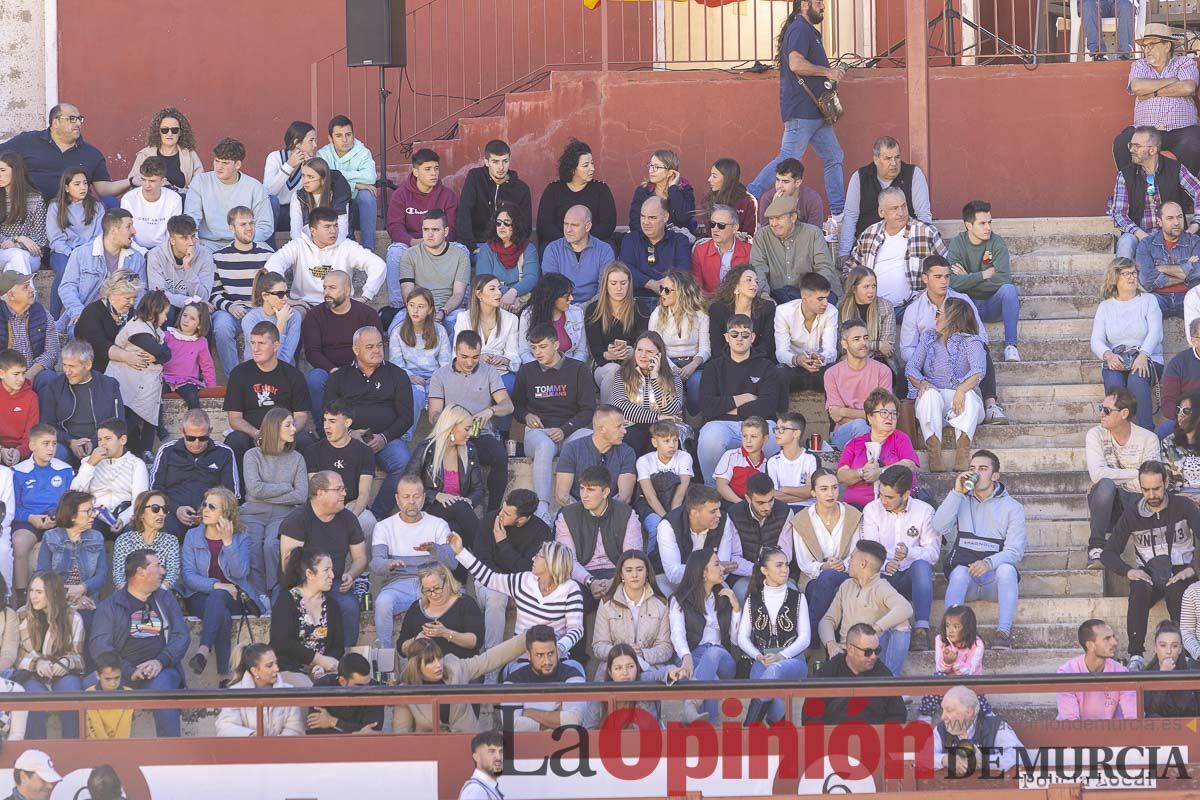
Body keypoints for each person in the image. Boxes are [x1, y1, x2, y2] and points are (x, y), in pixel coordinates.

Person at [746, 0, 845, 218]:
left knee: (834, 157)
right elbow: (796, 64)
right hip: (802, 112)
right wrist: (827, 72)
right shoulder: (800, 28)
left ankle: (839, 213)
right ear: (804, 5)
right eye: (818, 2)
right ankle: (749, 198)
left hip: (815, 113)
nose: (823, 6)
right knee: (787, 160)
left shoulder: (807, 31)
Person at [1102, 459, 1199, 671]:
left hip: (1181, 569)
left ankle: (1184, 652)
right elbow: (1108, 554)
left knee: (1177, 591)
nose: (1152, 495)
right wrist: (1129, 571)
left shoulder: (1183, 506)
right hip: (1150, 572)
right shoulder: (1132, 513)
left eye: (1156, 488)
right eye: (1146, 490)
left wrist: (1193, 567)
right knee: (1138, 588)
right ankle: (1136, 654)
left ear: (1165, 482)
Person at [88, 549, 188, 736]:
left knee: (162, 687)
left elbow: (181, 636)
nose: (163, 572)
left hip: (161, 670)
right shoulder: (110, 606)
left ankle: (171, 755)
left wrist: (160, 661)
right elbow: (100, 646)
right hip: (122, 673)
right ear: (141, 572)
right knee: (84, 687)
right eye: (157, 566)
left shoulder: (165, 598)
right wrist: (128, 671)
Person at [934, 450, 1027, 650]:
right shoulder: (960, 499)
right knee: (958, 572)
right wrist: (957, 492)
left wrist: (988, 563)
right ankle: (950, 635)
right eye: (972, 469)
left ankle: (1003, 632)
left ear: (995, 476)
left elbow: (1015, 551)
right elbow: (939, 527)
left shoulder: (1013, 507)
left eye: (983, 469)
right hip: (966, 580)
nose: (976, 473)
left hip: (993, 581)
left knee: (1007, 570)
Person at [450, 530, 585, 663]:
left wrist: (558, 649)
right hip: (523, 658)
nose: (533, 558)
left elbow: (576, 629)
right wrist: (460, 552)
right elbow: (490, 578)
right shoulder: (524, 580)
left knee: (576, 672)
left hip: (555, 658)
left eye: (538, 556)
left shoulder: (571, 589)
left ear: (551, 563)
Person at [899, 255, 1004, 424]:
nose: (944, 281)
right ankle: (911, 418)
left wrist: (962, 350)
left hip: (962, 359)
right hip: (929, 361)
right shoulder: (914, 309)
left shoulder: (963, 300)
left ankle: (990, 404)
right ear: (925, 278)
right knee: (905, 370)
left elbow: (981, 335)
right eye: (938, 277)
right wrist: (927, 357)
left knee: (982, 351)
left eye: (947, 276)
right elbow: (906, 348)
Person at [513, 322, 597, 521]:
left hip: (569, 430)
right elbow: (515, 406)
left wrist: (565, 429)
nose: (537, 353)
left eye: (542, 347)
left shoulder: (578, 369)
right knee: (544, 445)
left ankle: (587, 502)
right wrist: (526, 416)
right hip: (538, 433)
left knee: (591, 439)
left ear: (556, 345)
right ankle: (542, 509)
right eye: (533, 348)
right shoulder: (527, 371)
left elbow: (588, 409)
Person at [323, 325, 414, 505]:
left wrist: (384, 437)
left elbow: (407, 417)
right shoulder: (339, 377)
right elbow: (329, 414)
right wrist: (348, 435)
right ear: (356, 349)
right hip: (349, 438)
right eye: (370, 347)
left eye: (380, 346)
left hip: (386, 438)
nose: (377, 351)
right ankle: (344, 511)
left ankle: (377, 514)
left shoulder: (398, 375)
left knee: (403, 463)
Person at [424, 332, 512, 515]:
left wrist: (491, 410)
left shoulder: (489, 372)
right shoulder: (440, 375)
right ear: (455, 351)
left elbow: (508, 405)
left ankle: (493, 511)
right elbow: (433, 415)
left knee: (500, 455)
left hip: (480, 434)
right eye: (464, 357)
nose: (470, 362)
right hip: (451, 435)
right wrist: (452, 421)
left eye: (475, 357)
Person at [278, 472, 368, 651]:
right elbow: (288, 565)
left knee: (349, 607)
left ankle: (345, 660)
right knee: (287, 610)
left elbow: (360, 558)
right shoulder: (297, 520)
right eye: (339, 489)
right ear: (320, 493)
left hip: (333, 582)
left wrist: (351, 574)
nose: (345, 493)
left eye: (344, 489)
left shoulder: (348, 518)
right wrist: (314, 586)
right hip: (299, 584)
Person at [181, 487, 258, 686]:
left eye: (212, 507)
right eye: (205, 504)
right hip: (200, 596)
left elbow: (240, 573)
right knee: (220, 609)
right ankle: (224, 675)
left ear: (226, 513)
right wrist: (218, 586)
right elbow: (189, 577)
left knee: (220, 600)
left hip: (234, 596)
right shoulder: (192, 536)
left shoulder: (241, 538)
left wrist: (228, 542)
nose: (205, 509)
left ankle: (203, 651)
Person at [907, 296, 988, 473]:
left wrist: (961, 389)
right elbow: (911, 368)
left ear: (952, 317)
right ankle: (934, 453)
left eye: (939, 314)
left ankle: (962, 451)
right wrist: (923, 383)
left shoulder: (972, 342)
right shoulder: (928, 337)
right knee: (929, 394)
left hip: (962, 403)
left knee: (970, 396)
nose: (935, 318)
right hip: (936, 401)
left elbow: (978, 370)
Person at [374, 477, 457, 651]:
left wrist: (435, 550)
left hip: (433, 584)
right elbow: (376, 563)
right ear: (397, 499)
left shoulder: (438, 524)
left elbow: (453, 564)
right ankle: (385, 658)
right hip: (398, 584)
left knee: (460, 603)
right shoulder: (384, 526)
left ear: (424, 497)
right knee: (383, 603)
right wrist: (389, 563)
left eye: (416, 496)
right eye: (406, 496)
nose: (411, 501)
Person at [698, 313, 783, 481]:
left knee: (773, 435)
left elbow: (769, 406)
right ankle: (713, 490)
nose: (739, 339)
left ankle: (767, 487)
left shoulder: (767, 367)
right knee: (709, 437)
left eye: (745, 335)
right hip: (721, 426)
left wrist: (726, 408)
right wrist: (744, 398)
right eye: (734, 334)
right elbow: (707, 406)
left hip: (759, 424)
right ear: (726, 337)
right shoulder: (713, 367)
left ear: (752, 338)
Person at [471, 489, 553, 663]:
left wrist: (503, 543)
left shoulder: (541, 532)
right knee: (497, 597)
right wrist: (505, 585)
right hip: (488, 580)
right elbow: (481, 561)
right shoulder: (489, 521)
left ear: (522, 518)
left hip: (523, 583)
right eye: (502, 509)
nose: (501, 514)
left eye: (507, 513)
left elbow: (528, 570)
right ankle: (491, 663)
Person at [861, 465, 937, 651]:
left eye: (889, 497)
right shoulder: (871, 509)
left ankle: (921, 628)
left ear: (905, 495)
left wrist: (909, 553)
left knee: (921, 566)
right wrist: (886, 564)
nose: (883, 501)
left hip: (912, 578)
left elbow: (933, 554)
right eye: (881, 494)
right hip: (883, 576)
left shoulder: (924, 511)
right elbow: (869, 548)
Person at [1086, 388, 1162, 568]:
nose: (1101, 414)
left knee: (1109, 483)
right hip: (1109, 506)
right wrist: (1137, 472)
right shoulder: (1095, 434)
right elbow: (1097, 474)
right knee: (1104, 486)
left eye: (1106, 410)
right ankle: (1096, 548)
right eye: (1100, 408)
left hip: (1138, 502)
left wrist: (1112, 475)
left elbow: (1152, 478)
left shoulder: (1148, 439)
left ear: (1124, 413)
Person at [223, 321, 313, 471]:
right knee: (235, 440)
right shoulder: (239, 373)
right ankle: (239, 493)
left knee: (305, 440)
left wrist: (286, 433)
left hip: (284, 435)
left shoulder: (293, 375)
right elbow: (234, 418)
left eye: (261, 343)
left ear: (276, 346)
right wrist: (257, 434)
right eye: (252, 343)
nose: (255, 349)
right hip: (253, 435)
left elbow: (301, 415)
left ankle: (305, 492)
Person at [394, 632, 528, 734]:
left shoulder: (454, 667)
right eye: (430, 662)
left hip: (468, 743)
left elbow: (489, 659)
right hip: (430, 755)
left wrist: (526, 639)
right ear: (416, 666)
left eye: (439, 658)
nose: (438, 665)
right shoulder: (405, 691)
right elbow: (401, 734)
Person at [844, 186, 948, 316]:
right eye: (894, 209)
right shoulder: (869, 234)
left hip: (913, 307)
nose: (901, 213)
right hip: (871, 308)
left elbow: (946, 267)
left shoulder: (926, 232)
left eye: (904, 206)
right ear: (881, 212)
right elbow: (850, 270)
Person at [817, 539, 914, 677]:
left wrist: (874, 630)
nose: (848, 562)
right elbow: (827, 620)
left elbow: (906, 608)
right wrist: (831, 644)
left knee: (902, 623)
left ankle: (891, 683)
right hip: (847, 651)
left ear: (863, 563)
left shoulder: (881, 586)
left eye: (851, 558)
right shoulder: (846, 585)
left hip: (871, 653)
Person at [780, 468, 861, 632]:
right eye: (824, 489)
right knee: (828, 585)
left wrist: (842, 565)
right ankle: (834, 641)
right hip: (811, 578)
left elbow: (856, 551)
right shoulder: (802, 519)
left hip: (847, 574)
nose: (830, 493)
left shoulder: (853, 515)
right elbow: (804, 562)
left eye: (835, 487)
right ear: (813, 492)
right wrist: (824, 567)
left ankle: (811, 635)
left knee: (832, 581)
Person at [1114, 24, 1200, 177]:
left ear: (1167, 46)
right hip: (1145, 130)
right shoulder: (1140, 65)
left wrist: (1151, 93)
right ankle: (1133, 193)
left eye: (1152, 45)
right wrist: (1172, 81)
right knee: (1123, 143)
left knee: (1193, 144)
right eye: (1145, 46)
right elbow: (1137, 86)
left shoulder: (1185, 63)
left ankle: (1186, 196)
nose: (1147, 50)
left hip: (1181, 129)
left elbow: (1188, 87)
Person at [241, 408, 308, 598]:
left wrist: (265, 492)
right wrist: (286, 486)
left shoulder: (297, 459)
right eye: (288, 425)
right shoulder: (252, 455)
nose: (294, 429)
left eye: (293, 424)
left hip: (283, 514)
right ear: (273, 428)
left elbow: (301, 495)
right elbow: (255, 490)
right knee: (253, 546)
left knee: (272, 545)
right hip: (253, 513)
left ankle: (274, 592)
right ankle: (258, 595)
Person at [738, 545, 809, 725]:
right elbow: (742, 638)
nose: (785, 569)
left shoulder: (798, 598)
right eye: (778, 565)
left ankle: (748, 728)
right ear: (764, 570)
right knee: (774, 695)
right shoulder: (752, 599)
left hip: (793, 661)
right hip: (763, 660)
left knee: (774, 671)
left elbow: (805, 638)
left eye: (786, 565)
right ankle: (780, 728)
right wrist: (757, 655)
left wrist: (781, 655)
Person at [398, 406, 485, 551]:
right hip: (430, 508)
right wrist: (436, 495)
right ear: (451, 427)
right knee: (460, 507)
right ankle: (485, 560)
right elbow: (407, 485)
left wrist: (469, 500)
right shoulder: (427, 449)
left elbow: (478, 489)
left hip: (458, 514)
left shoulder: (469, 450)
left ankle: (460, 573)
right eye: (467, 429)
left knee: (456, 530)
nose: (470, 433)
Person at [668, 548, 740, 722]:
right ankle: (710, 725)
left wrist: (736, 608)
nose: (722, 568)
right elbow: (677, 633)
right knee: (711, 678)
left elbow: (735, 640)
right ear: (702, 573)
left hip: (722, 658)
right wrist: (686, 656)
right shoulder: (680, 599)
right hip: (692, 657)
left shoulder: (725, 597)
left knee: (713, 653)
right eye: (716, 564)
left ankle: (691, 703)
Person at [555, 465, 642, 610]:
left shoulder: (626, 514)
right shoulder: (568, 515)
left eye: (591, 489)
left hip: (617, 572)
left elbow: (632, 557)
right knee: (569, 595)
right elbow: (568, 560)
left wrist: (615, 582)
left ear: (605, 492)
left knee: (632, 593)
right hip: (583, 574)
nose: (584, 495)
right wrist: (590, 581)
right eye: (582, 488)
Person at [1093, 257, 1164, 431]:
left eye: (1134, 273)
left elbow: (1155, 332)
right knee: (1113, 381)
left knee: (1136, 379)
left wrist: (1143, 355)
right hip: (1117, 358)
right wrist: (1108, 355)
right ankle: (1117, 429)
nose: (1132, 277)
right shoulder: (1105, 307)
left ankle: (1147, 431)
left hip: (1147, 357)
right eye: (1126, 274)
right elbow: (1096, 339)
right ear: (1115, 277)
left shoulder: (1148, 300)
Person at [0, 102, 128, 199]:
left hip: (74, 218)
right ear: (55, 122)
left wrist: (132, 181)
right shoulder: (27, 141)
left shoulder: (91, 154)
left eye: (79, 119)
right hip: (30, 215)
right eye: (72, 119)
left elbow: (104, 188)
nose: (78, 123)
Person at [1109, 127, 1200, 261]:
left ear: (1152, 150)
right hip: (1139, 235)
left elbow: (1198, 191)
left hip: (1172, 234)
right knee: (1125, 242)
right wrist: (1140, 234)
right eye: (1131, 145)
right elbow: (1118, 213)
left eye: (1137, 146)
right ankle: (1122, 279)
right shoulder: (1125, 175)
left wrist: (1194, 225)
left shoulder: (1175, 169)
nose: (1131, 150)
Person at [267, 207, 386, 310]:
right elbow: (274, 264)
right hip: (305, 305)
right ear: (313, 230)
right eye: (327, 227)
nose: (333, 231)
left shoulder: (347, 245)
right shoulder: (298, 245)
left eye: (335, 225)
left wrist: (365, 296)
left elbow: (378, 265)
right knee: (295, 315)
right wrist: (282, 296)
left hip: (339, 304)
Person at [838, 136, 933, 261]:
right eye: (888, 158)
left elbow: (923, 214)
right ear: (876, 159)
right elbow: (850, 216)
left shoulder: (914, 174)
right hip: (868, 245)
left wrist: (925, 245)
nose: (894, 163)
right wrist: (844, 253)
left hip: (906, 245)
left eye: (897, 157)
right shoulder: (860, 177)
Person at [948, 200, 1021, 360]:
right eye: (982, 223)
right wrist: (983, 275)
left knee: (1009, 290)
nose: (988, 227)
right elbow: (952, 282)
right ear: (969, 225)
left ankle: (1011, 346)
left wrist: (967, 278)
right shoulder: (957, 244)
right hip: (967, 306)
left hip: (991, 304)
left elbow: (1003, 278)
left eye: (989, 222)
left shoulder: (996, 242)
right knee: (950, 293)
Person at [149, 408, 239, 538]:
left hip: (211, 515)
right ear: (182, 432)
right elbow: (154, 491)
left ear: (210, 432)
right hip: (171, 514)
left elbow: (230, 494)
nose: (197, 443)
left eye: (203, 438)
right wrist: (175, 509)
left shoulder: (224, 453)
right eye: (191, 438)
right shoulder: (167, 451)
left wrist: (207, 511)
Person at [16, 571, 85, 740]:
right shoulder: (21, 615)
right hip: (31, 674)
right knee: (33, 701)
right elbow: (17, 657)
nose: (33, 596)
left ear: (53, 593)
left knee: (72, 693)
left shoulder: (73, 618)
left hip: (62, 673)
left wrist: (65, 663)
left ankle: (73, 749)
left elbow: (79, 658)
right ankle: (36, 752)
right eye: (31, 591)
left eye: (39, 592)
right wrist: (37, 663)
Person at [11, 426, 74, 603]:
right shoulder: (18, 472)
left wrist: (58, 518)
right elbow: (11, 507)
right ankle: (22, 597)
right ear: (32, 446)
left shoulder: (65, 470)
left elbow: (71, 503)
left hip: (57, 520)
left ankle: (60, 595)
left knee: (65, 540)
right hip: (28, 520)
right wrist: (30, 518)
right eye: (45, 444)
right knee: (19, 543)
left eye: (54, 444)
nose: (51, 448)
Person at [59, 208, 146, 335]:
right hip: (85, 315)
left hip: (122, 319)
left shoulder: (136, 259)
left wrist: (132, 321)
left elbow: (140, 294)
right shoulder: (81, 253)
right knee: (84, 335)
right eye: (129, 226)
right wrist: (80, 313)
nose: (134, 231)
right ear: (113, 231)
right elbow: (67, 288)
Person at [211, 205, 276, 374]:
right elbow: (214, 294)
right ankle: (235, 378)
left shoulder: (268, 256)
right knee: (221, 327)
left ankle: (263, 375)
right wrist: (230, 306)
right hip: (232, 310)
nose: (249, 228)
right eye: (243, 224)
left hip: (259, 309)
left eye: (251, 223)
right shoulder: (219, 257)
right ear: (231, 228)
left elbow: (274, 290)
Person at [106, 290, 171, 455]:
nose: (166, 318)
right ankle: (111, 444)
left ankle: (146, 450)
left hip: (142, 382)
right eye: (165, 313)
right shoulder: (138, 328)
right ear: (155, 311)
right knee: (134, 417)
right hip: (128, 381)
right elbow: (163, 353)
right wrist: (159, 355)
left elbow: (165, 353)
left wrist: (159, 356)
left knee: (147, 411)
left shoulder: (151, 328)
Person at [592, 549, 673, 681]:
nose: (634, 574)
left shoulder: (661, 604)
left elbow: (666, 648)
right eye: (629, 570)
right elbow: (599, 646)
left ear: (647, 573)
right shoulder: (607, 604)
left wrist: (642, 654)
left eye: (640, 569)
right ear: (621, 574)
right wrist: (623, 654)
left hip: (648, 667)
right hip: (615, 666)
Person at [270, 547, 345, 687]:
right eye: (326, 570)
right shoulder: (287, 600)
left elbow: (338, 646)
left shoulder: (332, 605)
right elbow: (282, 643)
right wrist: (317, 659)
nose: (332, 575)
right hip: (290, 668)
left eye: (332, 570)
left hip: (323, 670)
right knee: (308, 689)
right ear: (310, 573)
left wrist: (323, 665)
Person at [304, 399, 378, 538]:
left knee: (369, 523)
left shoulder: (364, 451)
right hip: (323, 505)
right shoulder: (313, 451)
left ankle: (364, 560)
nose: (326, 426)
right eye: (325, 420)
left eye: (332, 421)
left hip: (351, 504)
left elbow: (364, 493)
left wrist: (351, 518)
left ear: (347, 423)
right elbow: (316, 492)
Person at [605, 331, 685, 457]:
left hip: (665, 427)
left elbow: (672, 409)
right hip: (632, 426)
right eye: (639, 350)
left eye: (649, 352)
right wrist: (657, 417)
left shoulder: (673, 377)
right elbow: (619, 406)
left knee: (663, 441)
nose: (643, 355)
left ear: (660, 354)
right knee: (629, 441)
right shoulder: (623, 374)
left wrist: (655, 377)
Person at [183, 137, 273, 250]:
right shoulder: (200, 182)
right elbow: (191, 218)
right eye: (216, 161)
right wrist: (194, 239)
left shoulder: (255, 187)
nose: (219, 167)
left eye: (225, 163)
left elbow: (265, 227)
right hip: (208, 244)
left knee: (269, 257)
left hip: (245, 242)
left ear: (238, 164)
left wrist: (241, 242)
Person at [390, 287, 452, 439]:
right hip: (409, 378)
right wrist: (409, 377)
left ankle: (444, 439)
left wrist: (436, 379)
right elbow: (396, 364)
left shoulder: (440, 331)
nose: (415, 310)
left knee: (444, 394)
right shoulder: (398, 332)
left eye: (421, 306)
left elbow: (446, 363)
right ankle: (406, 436)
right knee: (416, 392)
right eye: (411, 305)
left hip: (435, 377)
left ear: (430, 310)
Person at [500, 624, 589, 731]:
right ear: (528, 655)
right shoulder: (514, 679)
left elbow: (575, 719)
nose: (547, 661)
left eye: (551, 653)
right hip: (527, 746)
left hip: (567, 745)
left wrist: (529, 713)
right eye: (540, 655)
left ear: (556, 650)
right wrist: (557, 721)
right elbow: (510, 724)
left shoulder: (572, 674)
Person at [69, 417, 149, 536]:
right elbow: (75, 493)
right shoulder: (89, 462)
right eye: (100, 440)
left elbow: (140, 501)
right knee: (88, 533)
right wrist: (91, 464)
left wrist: (122, 519)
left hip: (125, 515)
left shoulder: (137, 464)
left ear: (122, 440)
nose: (103, 444)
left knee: (132, 534)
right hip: (95, 515)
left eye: (107, 439)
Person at [751, 194, 836, 304]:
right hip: (774, 294)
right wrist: (764, 295)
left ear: (793, 218)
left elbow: (824, 267)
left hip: (808, 294)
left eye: (779, 218)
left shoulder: (813, 234)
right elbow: (758, 267)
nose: (773, 223)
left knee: (830, 300)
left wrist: (814, 294)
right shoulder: (762, 235)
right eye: (771, 219)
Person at [396, 562, 483, 664]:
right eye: (427, 590)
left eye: (437, 588)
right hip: (424, 673)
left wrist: (445, 633)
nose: (433, 594)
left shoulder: (465, 603)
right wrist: (415, 641)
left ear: (447, 582)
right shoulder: (416, 608)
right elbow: (401, 647)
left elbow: (475, 641)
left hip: (460, 671)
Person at [723, 474, 794, 599]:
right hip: (745, 575)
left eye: (771, 500)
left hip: (779, 573)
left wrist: (771, 571)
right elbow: (734, 558)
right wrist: (759, 571)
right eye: (760, 502)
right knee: (744, 595)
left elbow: (785, 554)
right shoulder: (734, 514)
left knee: (790, 595)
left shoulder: (785, 511)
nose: (767, 507)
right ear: (748, 498)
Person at [394, 210, 470, 326]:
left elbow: (458, 294)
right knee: (396, 328)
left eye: (435, 230)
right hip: (418, 307)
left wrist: (443, 312)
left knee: (459, 327)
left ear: (446, 231)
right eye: (426, 229)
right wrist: (422, 311)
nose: (429, 234)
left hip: (449, 310)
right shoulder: (409, 255)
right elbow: (407, 293)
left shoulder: (460, 256)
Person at [655, 484, 734, 597]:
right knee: (663, 593)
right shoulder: (669, 525)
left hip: (710, 580)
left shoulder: (724, 521)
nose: (719, 515)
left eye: (719, 509)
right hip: (673, 581)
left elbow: (723, 569)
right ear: (694, 513)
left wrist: (708, 571)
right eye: (713, 511)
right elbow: (673, 573)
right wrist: (708, 568)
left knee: (726, 594)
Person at [453, 275, 520, 406]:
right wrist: (477, 358)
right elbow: (456, 355)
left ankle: (503, 427)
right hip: (471, 370)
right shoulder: (463, 318)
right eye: (492, 289)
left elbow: (515, 357)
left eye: (499, 289)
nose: (499, 293)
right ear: (479, 294)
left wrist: (504, 359)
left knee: (511, 387)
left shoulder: (511, 319)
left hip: (500, 372)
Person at [457, 139, 533, 254]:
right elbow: (464, 212)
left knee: (530, 253)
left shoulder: (521, 189)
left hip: (508, 245)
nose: (501, 167)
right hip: (477, 243)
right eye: (495, 162)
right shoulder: (475, 178)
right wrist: (471, 246)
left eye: (505, 161)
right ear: (487, 162)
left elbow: (525, 226)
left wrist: (509, 246)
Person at [586, 261, 649, 398]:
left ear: (629, 283)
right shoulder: (594, 310)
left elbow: (644, 340)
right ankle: (608, 416)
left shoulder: (640, 308)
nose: (619, 288)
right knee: (614, 371)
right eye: (613, 283)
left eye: (623, 283)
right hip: (604, 365)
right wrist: (607, 354)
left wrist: (634, 352)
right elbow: (594, 347)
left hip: (634, 363)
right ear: (606, 285)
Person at [649, 270, 709, 415]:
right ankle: (674, 419)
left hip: (694, 363)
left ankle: (694, 419)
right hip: (666, 363)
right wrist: (672, 367)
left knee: (697, 382)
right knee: (669, 381)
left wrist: (693, 365)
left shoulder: (700, 314)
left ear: (682, 292)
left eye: (667, 290)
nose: (662, 293)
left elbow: (706, 348)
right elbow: (655, 347)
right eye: (662, 288)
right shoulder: (657, 313)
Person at [826, 318, 893, 447]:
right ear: (844, 344)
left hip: (878, 431)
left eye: (866, 338)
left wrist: (844, 411)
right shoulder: (832, 373)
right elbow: (836, 417)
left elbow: (884, 414)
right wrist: (869, 415)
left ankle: (866, 461)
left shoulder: (883, 371)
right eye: (856, 339)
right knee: (860, 425)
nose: (863, 343)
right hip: (844, 432)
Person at [916, 606, 991, 720]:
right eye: (947, 625)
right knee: (936, 678)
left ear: (967, 628)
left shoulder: (977, 644)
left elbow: (969, 672)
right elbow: (939, 668)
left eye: (956, 626)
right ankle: (925, 715)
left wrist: (955, 661)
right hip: (947, 687)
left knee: (975, 685)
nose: (950, 630)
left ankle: (988, 715)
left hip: (969, 685)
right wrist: (947, 662)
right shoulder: (940, 640)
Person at [537, 139, 617, 246]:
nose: (592, 168)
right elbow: (545, 225)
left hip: (592, 244)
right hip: (561, 245)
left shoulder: (601, 190)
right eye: (585, 165)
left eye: (592, 163)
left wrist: (584, 241)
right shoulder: (553, 190)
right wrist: (568, 242)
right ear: (572, 170)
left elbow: (607, 225)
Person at [554, 404, 637, 506]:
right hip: (576, 511)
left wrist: (601, 513)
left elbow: (624, 496)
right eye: (619, 426)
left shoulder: (627, 452)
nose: (624, 431)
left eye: (624, 426)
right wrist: (584, 515)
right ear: (602, 429)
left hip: (613, 513)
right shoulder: (572, 449)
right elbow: (562, 495)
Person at [386, 148, 460, 261]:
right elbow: (395, 226)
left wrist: (435, 243)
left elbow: (451, 227)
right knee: (395, 251)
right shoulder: (400, 195)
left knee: (462, 250)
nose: (433, 173)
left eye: (436, 168)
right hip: (410, 244)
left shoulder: (448, 196)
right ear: (416, 172)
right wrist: (412, 241)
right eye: (427, 169)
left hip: (440, 244)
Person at [1056, 619, 1138, 721]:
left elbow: (1133, 716)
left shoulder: (1121, 671)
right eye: (1107, 638)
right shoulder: (1067, 672)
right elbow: (1070, 722)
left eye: (1113, 637)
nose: (1114, 642)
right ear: (1090, 645)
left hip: (1110, 733)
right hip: (1078, 734)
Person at [47, 168, 103, 317]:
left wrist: (84, 253)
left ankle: (82, 317)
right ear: (66, 188)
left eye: (85, 183)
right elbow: (55, 239)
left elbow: (99, 236)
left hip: (88, 252)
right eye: (77, 184)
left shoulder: (96, 206)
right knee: (65, 272)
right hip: (63, 252)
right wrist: (70, 253)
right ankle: (54, 318)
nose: (83, 187)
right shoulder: (55, 207)